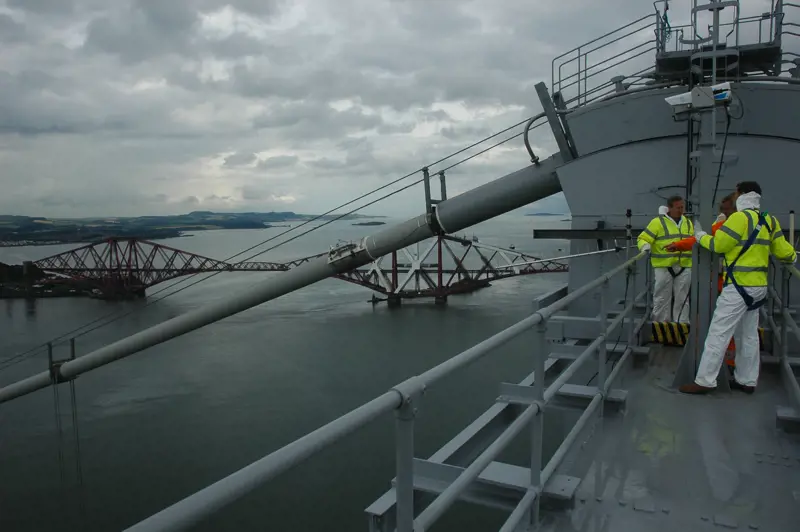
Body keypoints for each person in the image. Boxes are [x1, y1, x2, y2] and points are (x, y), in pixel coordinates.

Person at [679, 181, 797, 395]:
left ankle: (705, 381)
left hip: (738, 286)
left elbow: (719, 245)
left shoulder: (739, 219)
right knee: (748, 334)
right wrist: (792, 257)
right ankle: (747, 380)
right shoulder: (769, 220)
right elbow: (785, 251)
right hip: (759, 287)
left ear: (741, 194)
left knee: (719, 332)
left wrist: (699, 236)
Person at [665, 194, 737, 364]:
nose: (724, 213)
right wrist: (678, 245)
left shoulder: (729, 226)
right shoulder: (729, 224)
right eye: (723, 210)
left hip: (733, 282)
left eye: (726, 210)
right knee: (732, 325)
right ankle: (732, 364)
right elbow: (697, 239)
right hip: (733, 282)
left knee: (726, 324)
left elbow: (705, 239)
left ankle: (726, 362)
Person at [637, 196, 694, 323]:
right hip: (664, 267)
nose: (680, 210)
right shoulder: (657, 222)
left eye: (682, 207)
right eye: (678, 207)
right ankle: (660, 326)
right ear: (670, 208)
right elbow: (643, 238)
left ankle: (681, 325)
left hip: (684, 266)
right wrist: (645, 247)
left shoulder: (688, 223)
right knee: (662, 298)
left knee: (683, 299)